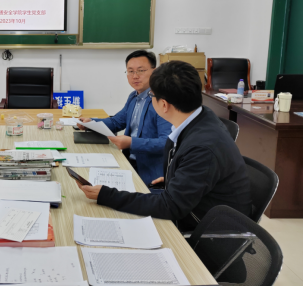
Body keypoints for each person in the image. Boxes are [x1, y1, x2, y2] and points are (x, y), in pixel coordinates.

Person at [77, 60, 252, 231]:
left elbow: (170, 206)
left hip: (207, 229)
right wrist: (174, 179)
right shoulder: (201, 116)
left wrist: (107, 195)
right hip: (197, 206)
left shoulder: (202, 147)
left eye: (151, 96)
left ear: (163, 105)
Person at [78, 50, 171, 185]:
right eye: (130, 71)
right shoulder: (133, 96)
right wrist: (91, 122)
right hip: (127, 162)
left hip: (150, 172)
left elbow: (166, 143)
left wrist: (132, 143)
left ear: (154, 72)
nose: (135, 76)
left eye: (141, 71)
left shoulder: (162, 101)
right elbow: (117, 121)